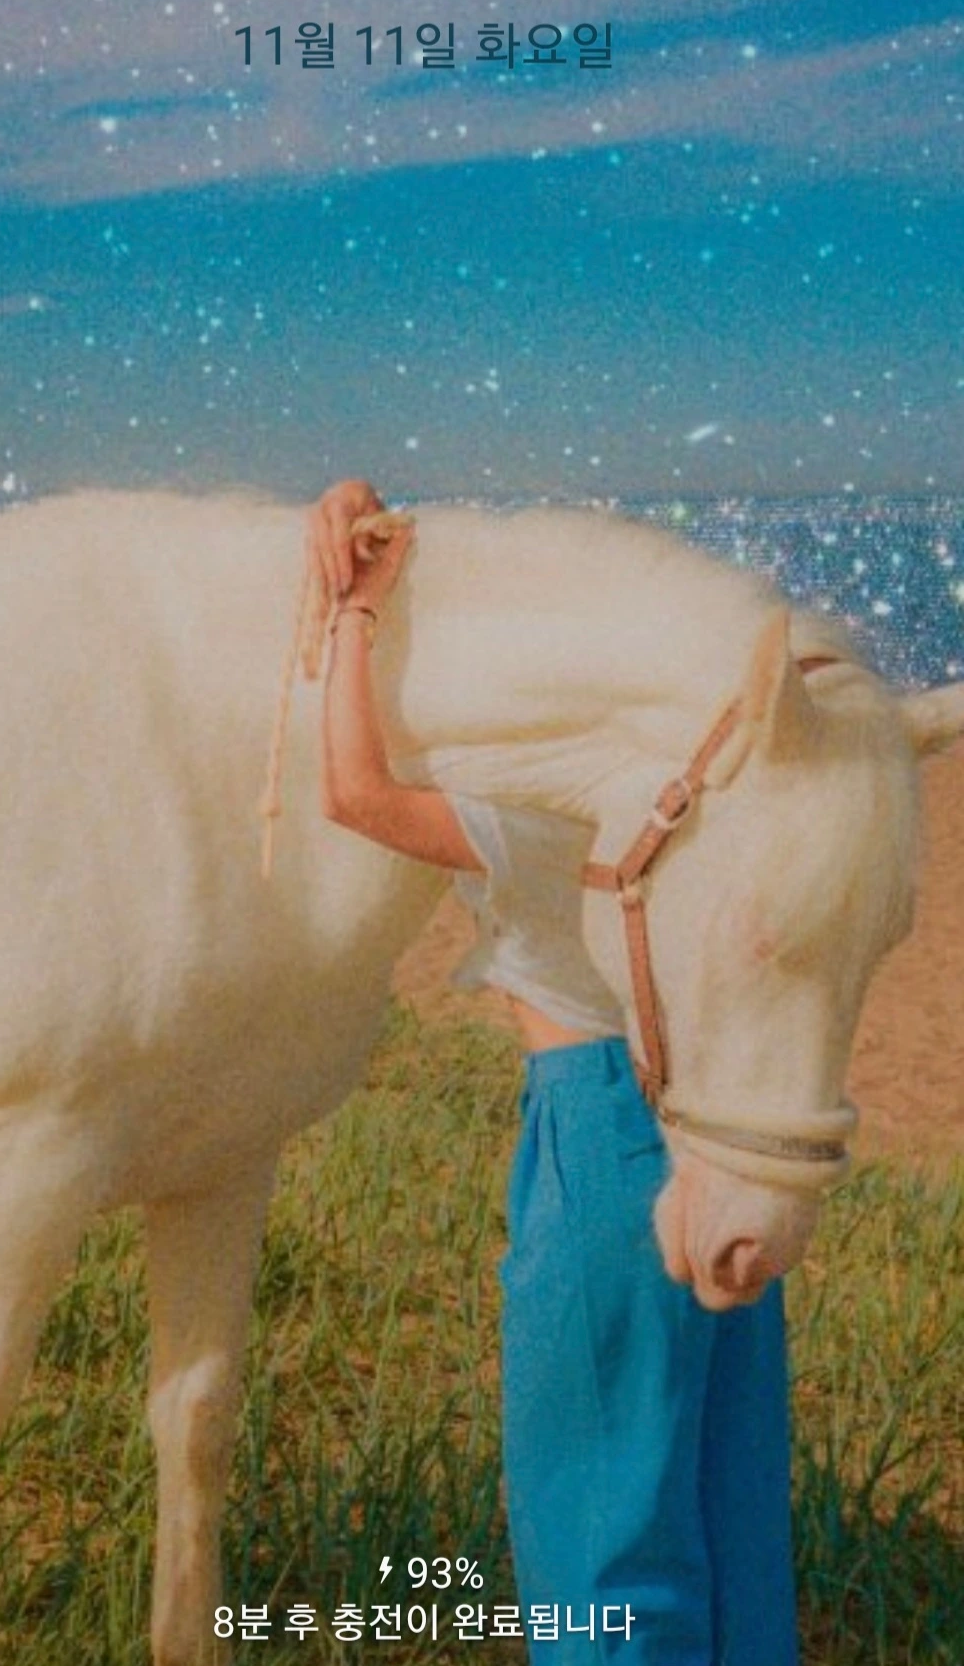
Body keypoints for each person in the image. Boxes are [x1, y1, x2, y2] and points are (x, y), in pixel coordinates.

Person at [307, 478, 801, 1666]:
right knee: (726, 1490)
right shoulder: (672, 782)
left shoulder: (540, 807)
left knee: (600, 1514)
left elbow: (353, 792)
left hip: (599, 1128)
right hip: (708, 1118)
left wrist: (353, 616)